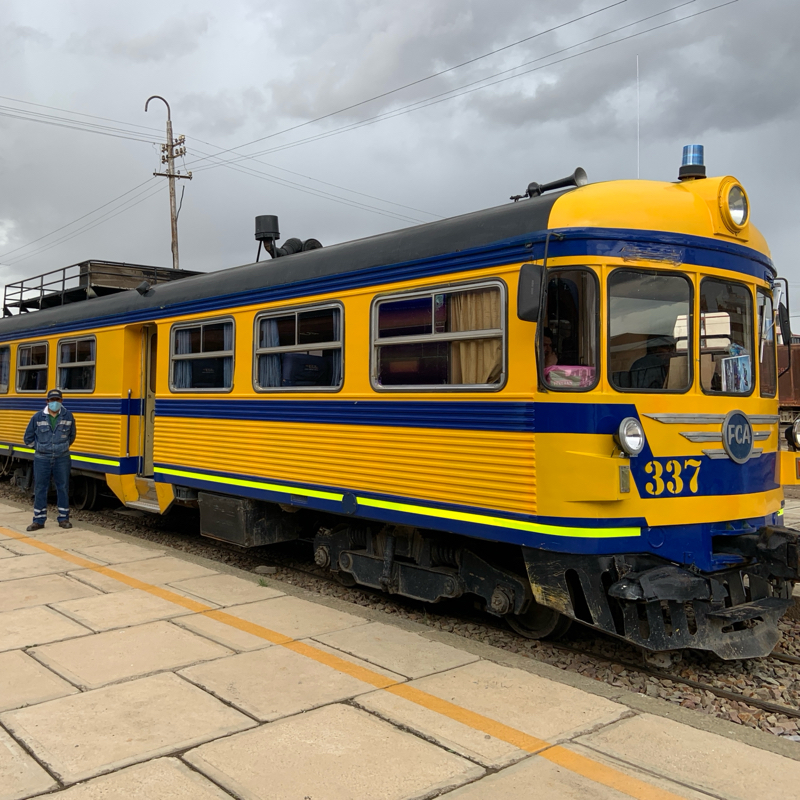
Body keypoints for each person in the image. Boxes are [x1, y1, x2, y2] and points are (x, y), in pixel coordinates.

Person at [23, 388, 76, 531]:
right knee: (40, 488)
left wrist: (61, 447)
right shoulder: (37, 417)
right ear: (47, 402)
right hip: (42, 458)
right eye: (52, 400)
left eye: (57, 400)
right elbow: (27, 438)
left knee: (63, 487)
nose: (55, 403)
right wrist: (40, 447)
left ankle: (64, 518)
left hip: (62, 457)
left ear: (61, 401)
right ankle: (39, 520)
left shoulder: (68, 416)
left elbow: (72, 436)